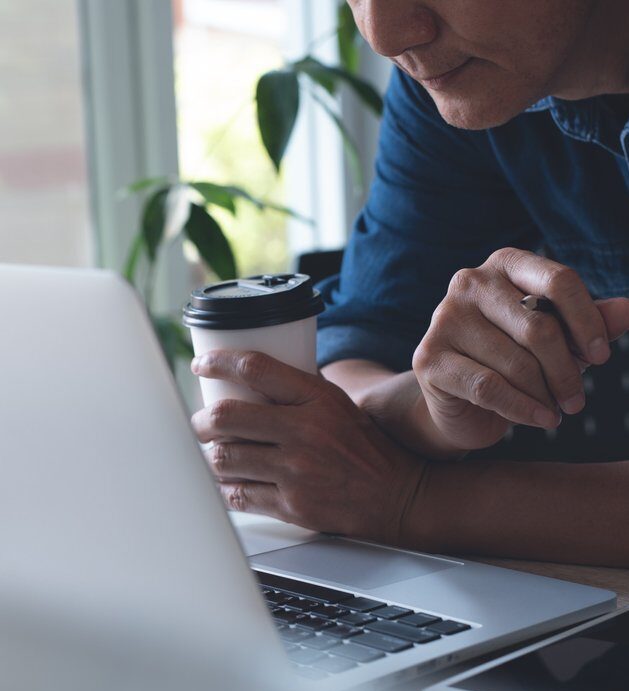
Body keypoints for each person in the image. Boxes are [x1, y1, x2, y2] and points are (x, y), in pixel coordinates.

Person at [191, 0, 629, 565]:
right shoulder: (467, 79)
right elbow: (357, 353)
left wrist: (406, 502)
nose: (385, 35)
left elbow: (373, 474)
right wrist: (427, 411)